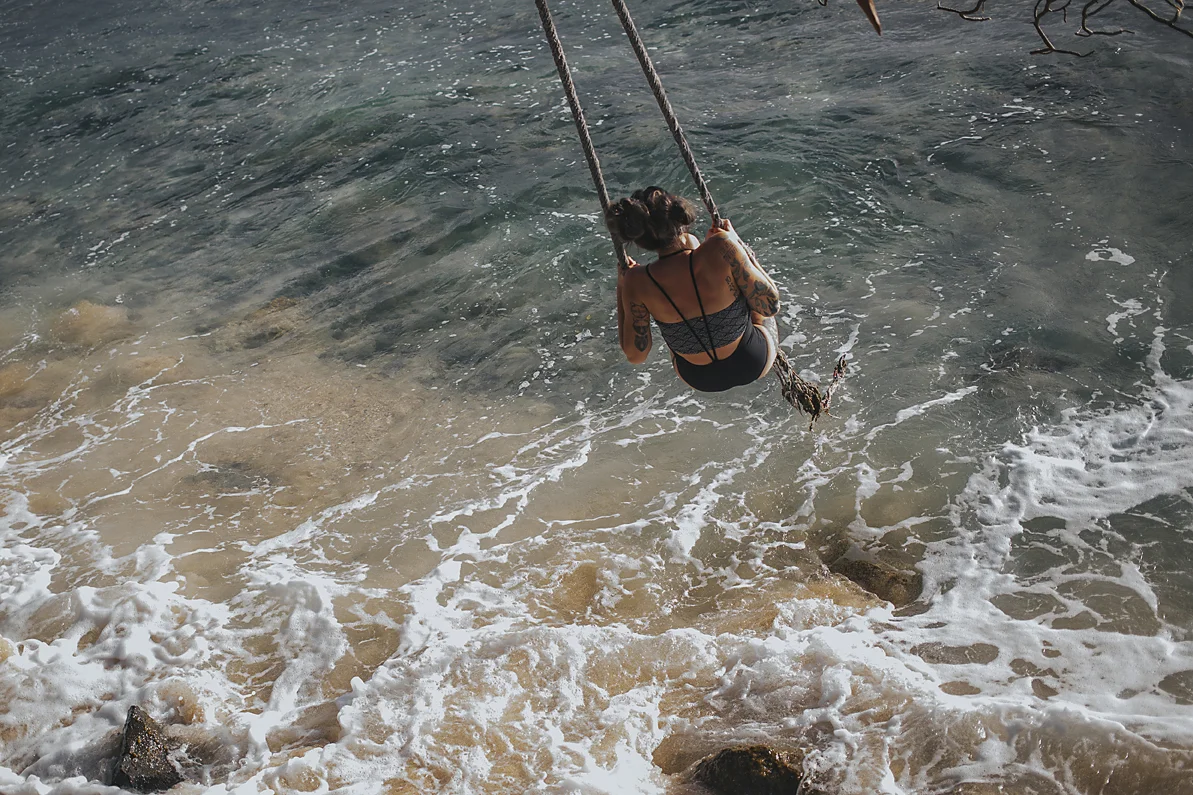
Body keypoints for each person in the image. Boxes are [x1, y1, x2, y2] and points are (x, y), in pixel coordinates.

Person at [607, 186, 781, 393]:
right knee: (750, 296)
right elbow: (770, 306)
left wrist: (623, 285)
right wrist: (737, 245)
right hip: (753, 361)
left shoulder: (636, 280)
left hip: (699, 378)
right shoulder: (720, 246)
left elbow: (636, 356)